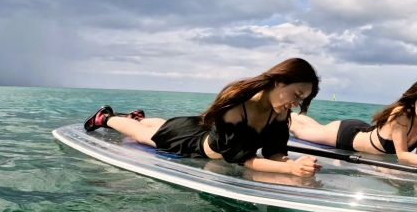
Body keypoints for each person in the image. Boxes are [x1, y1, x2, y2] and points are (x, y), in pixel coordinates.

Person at [82, 58, 321, 178]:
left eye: (303, 99)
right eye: (297, 94)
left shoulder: (280, 110)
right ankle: (106, 118)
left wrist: (291, 163)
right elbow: (245, 160)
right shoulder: (238, 104)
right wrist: (290, 170)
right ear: (279, 82)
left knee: (163, 124)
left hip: (201, 128)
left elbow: (273, 152)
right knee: (143, 135)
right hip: (192, 142)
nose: (297, 102)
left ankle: (135, 116)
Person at [290, 77, 417, 170]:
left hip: (364, 130)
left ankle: (294, 115)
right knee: (300, 131)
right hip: (346, 136)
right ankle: (285, 115)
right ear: (413, 102)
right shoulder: (401, 115)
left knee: (314, 127)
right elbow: (403, 155)